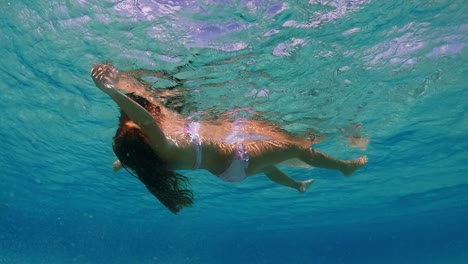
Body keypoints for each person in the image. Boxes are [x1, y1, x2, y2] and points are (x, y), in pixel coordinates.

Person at [91, 63, 368, 214]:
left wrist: (120, 160)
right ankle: (344, 167)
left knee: (269, 166)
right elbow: (146, 121)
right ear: (143, 140)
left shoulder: (150, 160)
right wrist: (113, 92)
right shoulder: (161, 148)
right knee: (296, 147)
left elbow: (132, 153)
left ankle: (297, 186)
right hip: (237, 160)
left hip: (231, 171)